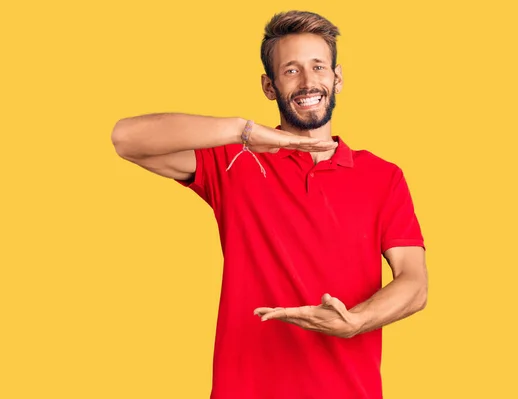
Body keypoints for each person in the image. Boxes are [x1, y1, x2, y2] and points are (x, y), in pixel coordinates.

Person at [111, 10, 428, 399]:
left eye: (318, 67)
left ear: (337, 78)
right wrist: (242, 131)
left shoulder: (384, 176)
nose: (309, 81)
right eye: (291, 70)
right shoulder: (236, 160)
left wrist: (356, 321)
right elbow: (126, 139)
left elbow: (415, 283)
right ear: (269, 85)